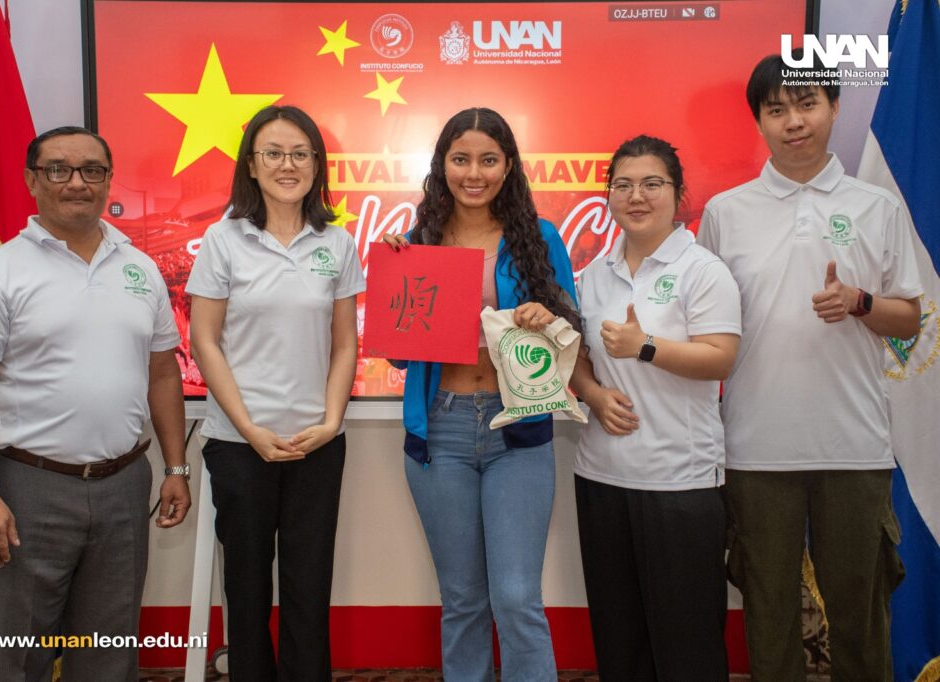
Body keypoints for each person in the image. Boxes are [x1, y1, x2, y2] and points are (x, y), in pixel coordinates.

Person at [697, 53, 922, 681]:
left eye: (807, 104)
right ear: (759, 122)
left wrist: (859, 302)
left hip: (853, 446)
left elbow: (910, 319)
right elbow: (706, 321)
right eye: (777, 110)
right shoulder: (725, 212)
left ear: (834, 108)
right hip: (754, 448)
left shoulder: (876, 206)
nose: (794, 121)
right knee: (768, 612)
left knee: (859, 611)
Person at [0, 126, 191, 682]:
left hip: (124, 486)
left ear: (108, 180)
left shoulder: (141, 268)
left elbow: (161, 374)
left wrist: (175, 468)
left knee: (109, 653)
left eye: (92, 170)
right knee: (17, 656)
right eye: (58, 169)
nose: (76, 182)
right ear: (33, 180)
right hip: (28, 489)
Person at [383, 107, 577, 681]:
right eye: (461, 159)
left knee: (517, 596)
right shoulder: (417, 241)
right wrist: (396, 281)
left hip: (515, 429)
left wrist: (549, 314)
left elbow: (574, 322)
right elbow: (397, 355)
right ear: (441, 165)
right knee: (463, 599)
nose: (474, 172)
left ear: (508, 165)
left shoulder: (539, 237)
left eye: (488, 160)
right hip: (438, 431)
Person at [187, 105, 364, 681]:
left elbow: (344, 344)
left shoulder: (336, 243)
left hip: (317, 441)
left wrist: (332, 420)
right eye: (273, 153)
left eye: (300, 153)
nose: (288, 164)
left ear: (317, 164)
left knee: (309, 589)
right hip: (240, 444)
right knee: (246, 590)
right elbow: (205, 341)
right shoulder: (222, 239)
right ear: (252, 165)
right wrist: (249, 430)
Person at [570, 135, 741, 681]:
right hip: (601, 477)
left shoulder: (703, 270)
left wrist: (647, 346)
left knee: (687, 644)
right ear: (609, 196)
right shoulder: (594, 274)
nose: (636, 196)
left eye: (651, 184)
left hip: (681, 483)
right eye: (623, 185)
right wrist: (593, 395)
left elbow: (721, 359)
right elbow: (572, 357)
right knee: (620, 644)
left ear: (678, 193)